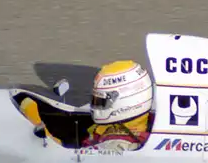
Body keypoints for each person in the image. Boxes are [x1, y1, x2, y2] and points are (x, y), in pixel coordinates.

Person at [18, 60, 154, 152]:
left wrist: (36, 120)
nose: (94, 106)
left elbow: (66, 161)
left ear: (125, 102)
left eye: (100, 101)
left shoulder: (115, 147)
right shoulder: (134, 125)